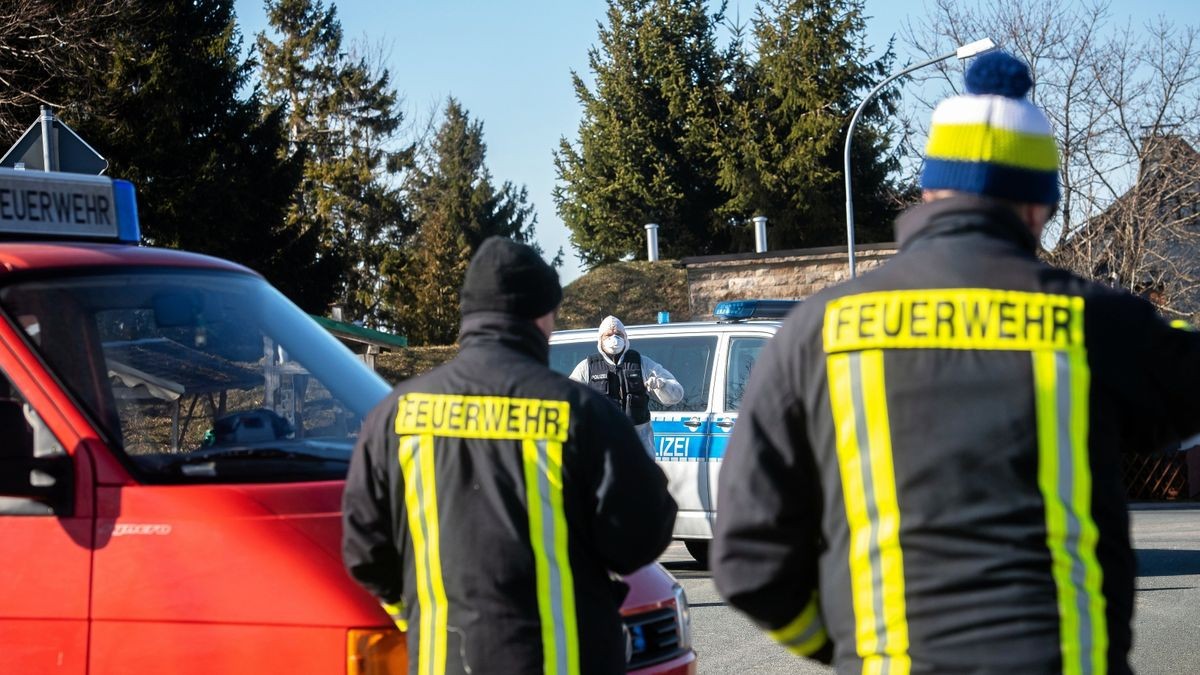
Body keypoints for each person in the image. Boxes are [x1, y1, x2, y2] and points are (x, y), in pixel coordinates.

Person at [712, 51, 1200, 674]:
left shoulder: (816, 330)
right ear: (1038, 207)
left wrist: (844, 651)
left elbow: (748, 560)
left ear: (929, 190)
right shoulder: (1095, 323)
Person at [343, 237, 677, 674]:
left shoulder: (395, 415)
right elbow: (643, 535)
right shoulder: (582, 414)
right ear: (542, 316)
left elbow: (364, 551)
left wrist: (419, 616)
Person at [569, 315, 684, 456]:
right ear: (600, 339)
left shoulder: (642, 363)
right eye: (608, 335)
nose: (614, 338)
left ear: (625, 337)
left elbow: (677, 395)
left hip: (638, 447)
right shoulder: (587, 367)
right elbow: (568, 399)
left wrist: (662, 386)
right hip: (602, 448)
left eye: (618, 334)